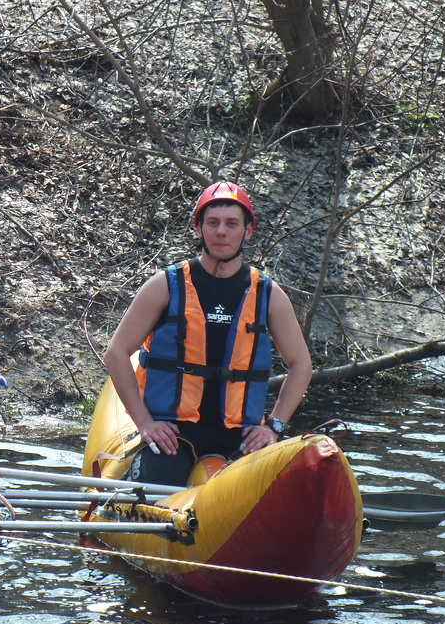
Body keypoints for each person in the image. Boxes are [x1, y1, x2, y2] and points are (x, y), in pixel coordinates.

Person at [101, 181, 312, 486]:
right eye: (212, 223)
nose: (221, 232)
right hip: (174, 433)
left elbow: (301, 363)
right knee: (158, 480)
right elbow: (116, 354)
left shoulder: (268, 294)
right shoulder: (164, 285)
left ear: (247, 231)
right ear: (199, 229)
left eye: (231, 224)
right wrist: (144, 423)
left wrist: (274, 426)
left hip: (240, 437)